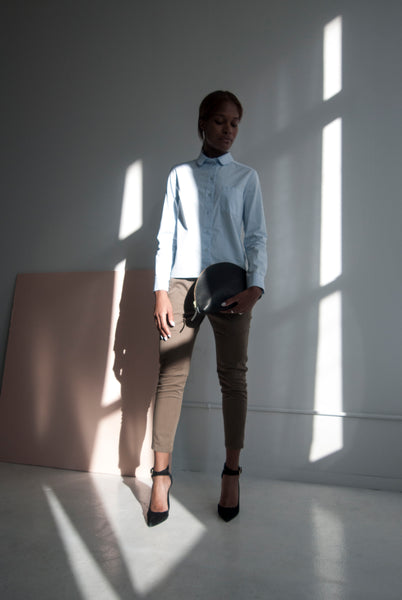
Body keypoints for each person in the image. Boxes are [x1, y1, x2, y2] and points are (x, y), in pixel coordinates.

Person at [148, 90, 267, 526]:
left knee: (233, 379)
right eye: (220, 121)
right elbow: (165, 235)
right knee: (171, 377)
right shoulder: (179, 175)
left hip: (233, 287)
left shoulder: (247, 178)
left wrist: (257, 287)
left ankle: (231, 473)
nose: (229, 130)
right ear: (202, 123)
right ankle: (160, 476)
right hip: (181, 283)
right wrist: (161, 290)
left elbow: (257, 238)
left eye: (235, 122)